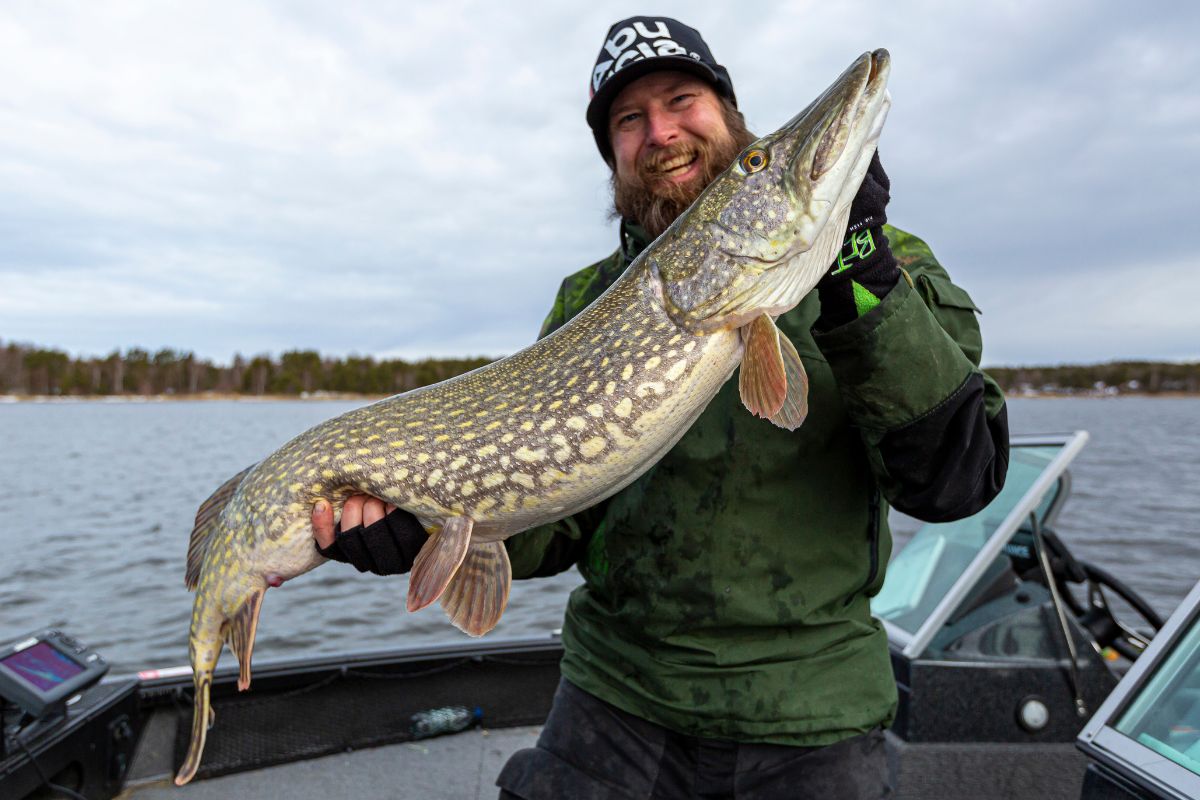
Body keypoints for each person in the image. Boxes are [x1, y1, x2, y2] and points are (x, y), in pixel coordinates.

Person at [312, 17, 1009, 799]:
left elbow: (954, 482)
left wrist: (859, 268)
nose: (661, 132)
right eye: (629, 119)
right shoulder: (587, 301)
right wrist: (429, 524)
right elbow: (560, 519)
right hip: (616, 697)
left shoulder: (888, 263)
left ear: (730, 115)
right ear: (613, 153)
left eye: (682, 100)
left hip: (812, 710)